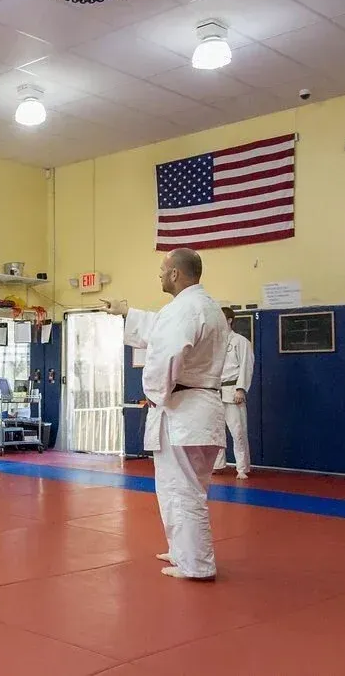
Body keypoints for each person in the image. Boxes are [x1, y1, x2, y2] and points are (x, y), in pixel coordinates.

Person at [102, 247, 228, 581]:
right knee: (179, 487)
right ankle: (183, 551)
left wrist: (155, 393)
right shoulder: (204, 306)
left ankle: (197, 564)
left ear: (175, 273)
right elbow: (159, 329)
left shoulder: (186, 309)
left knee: (183, 490)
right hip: (198, 409)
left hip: (183, 410)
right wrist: (126, 313)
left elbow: (168, 352)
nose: (159, 274)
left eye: (162, 269)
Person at [213, 307, 255, 479]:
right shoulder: (213, 342)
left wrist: (241, 388)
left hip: (233, 390)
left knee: (238, 431)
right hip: (215, 391)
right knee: (216, 432)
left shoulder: (240, 341)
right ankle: (217, 464)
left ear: (229, 320)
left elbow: (247, 365)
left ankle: (242, 468)